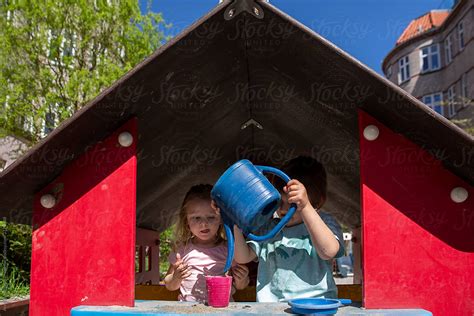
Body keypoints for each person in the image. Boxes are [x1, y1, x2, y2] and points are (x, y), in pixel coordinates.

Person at [233, 156, 345, 302]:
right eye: (280, 201)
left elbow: (328, 251)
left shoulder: (324, 223)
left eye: (293, 204)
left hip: (316, 305)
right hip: (271, 309)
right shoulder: (270, 227)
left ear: (317, 202)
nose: (283, 209)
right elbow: (243, 257)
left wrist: (305, 207)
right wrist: (235, 223)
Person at [164, 184, 249, 303]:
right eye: (196, 218)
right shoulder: (182, 249)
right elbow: (169, 285)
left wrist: (242, 279)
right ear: (186, 220)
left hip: (221, 310)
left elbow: (241, 286)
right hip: (188, 311)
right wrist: (176, 278)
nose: (204, 224)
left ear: (221, 219)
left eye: (211, 217)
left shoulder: (230, 248)